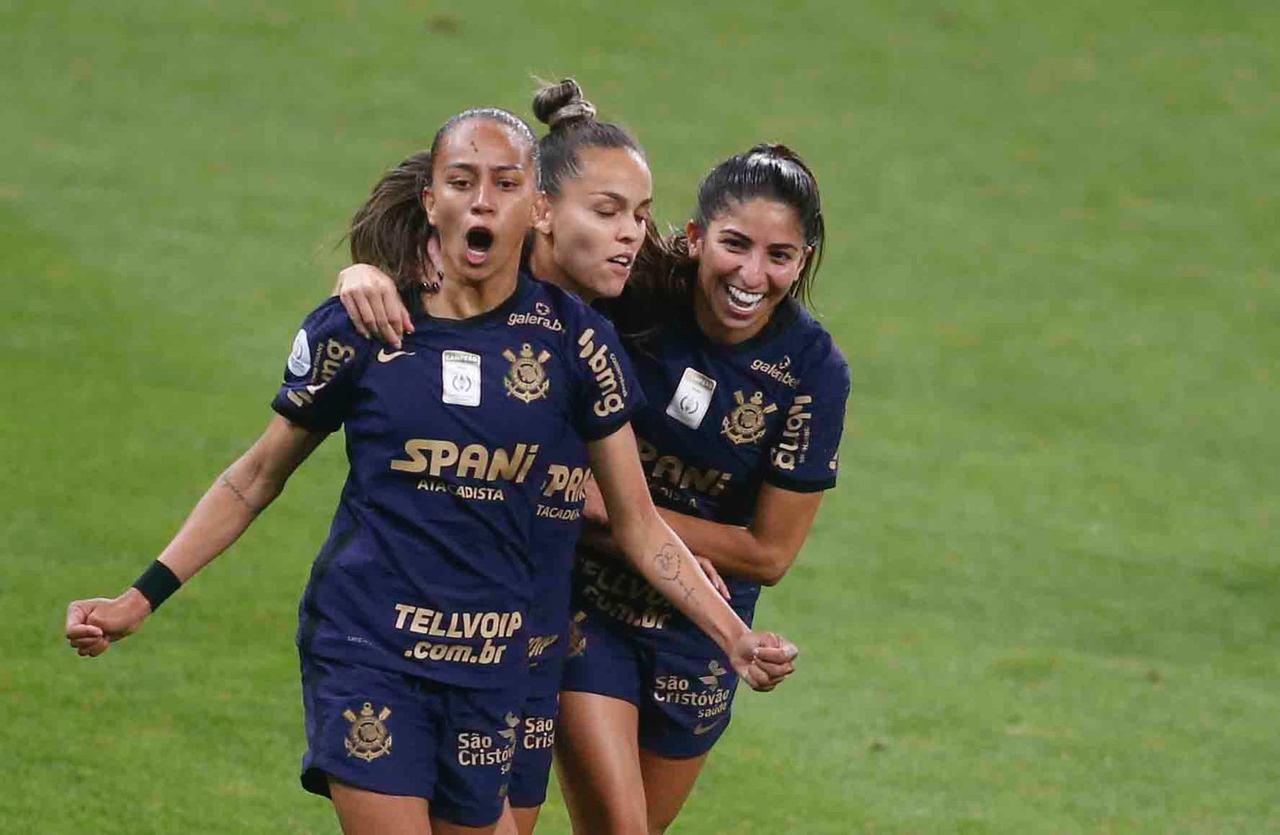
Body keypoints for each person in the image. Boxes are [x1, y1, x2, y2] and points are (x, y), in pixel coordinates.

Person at [64, 105, 797, 835]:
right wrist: (141, 596)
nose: (482, 200)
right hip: (369, 652)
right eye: (462, 181)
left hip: (497, 667)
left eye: (505, 183)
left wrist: (730, 635)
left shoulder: (580, 345)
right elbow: (254, 476)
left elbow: (639, 525)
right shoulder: (364, 327)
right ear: (431, 199)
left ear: (535, 206)